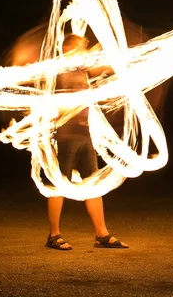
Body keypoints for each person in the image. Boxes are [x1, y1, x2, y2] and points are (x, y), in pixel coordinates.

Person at [45, 34, 129, 251]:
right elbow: (50, 100)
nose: (85, 51)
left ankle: (101, 234)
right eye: (80, 47)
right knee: (58, 185)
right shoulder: (59, 71)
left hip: (85, 137)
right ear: (66, 49)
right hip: (66, 137)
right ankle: (54, 235)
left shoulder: (82, 71)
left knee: (93, 185)